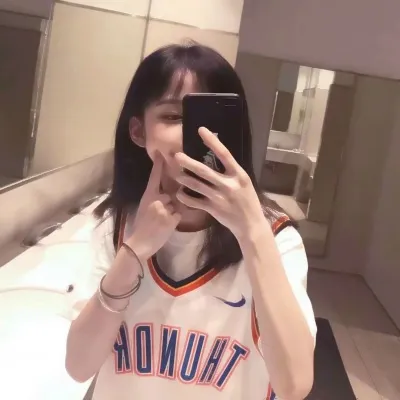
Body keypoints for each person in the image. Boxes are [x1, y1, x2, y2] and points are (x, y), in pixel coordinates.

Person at [66, 43, 317, 400]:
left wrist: (252, 231)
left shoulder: (275, 238)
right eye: (173, 116)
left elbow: (294, 385)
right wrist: (134, 252)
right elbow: (78, 366)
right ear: (138, 131)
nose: (196, 134)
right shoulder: (115, 227)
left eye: (211, 121)